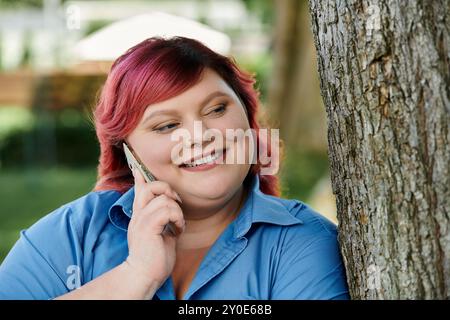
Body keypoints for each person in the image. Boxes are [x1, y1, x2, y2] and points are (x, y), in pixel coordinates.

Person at [0, 36, 349, 300]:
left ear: (247, 116)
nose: (200, 136)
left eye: (216, 109)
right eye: (166, 126)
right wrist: (135, 276)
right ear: (129, 153)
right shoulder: (70, 237)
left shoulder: (303, 243)